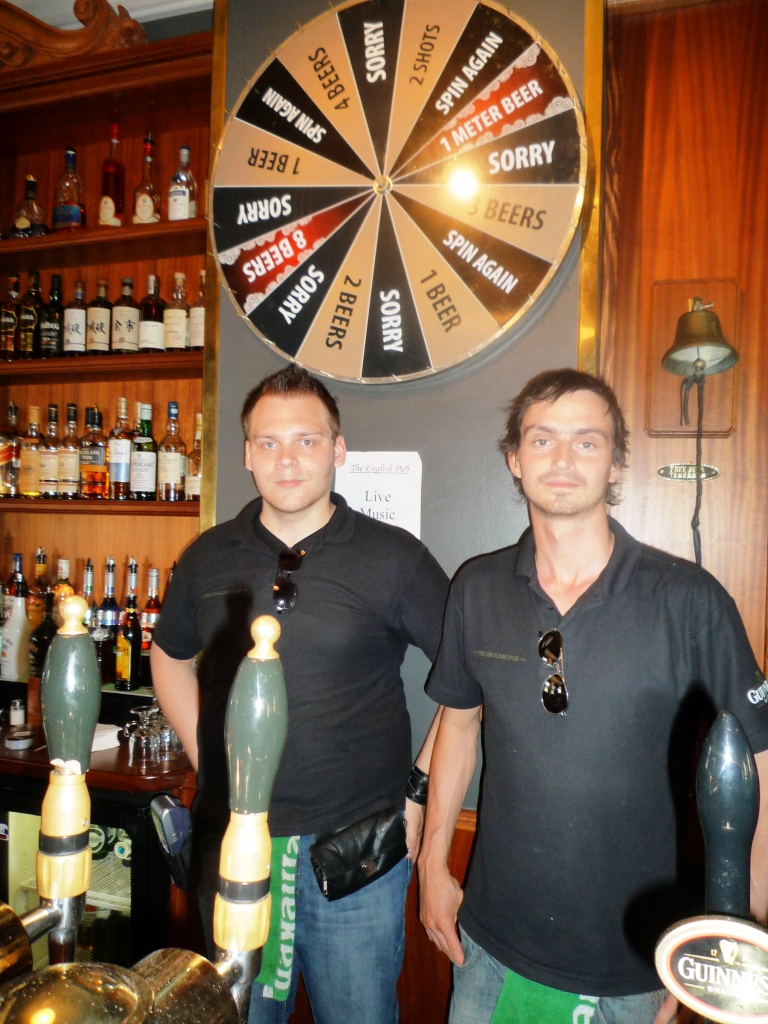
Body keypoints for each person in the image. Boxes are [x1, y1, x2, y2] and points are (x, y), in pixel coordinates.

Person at [418, 368, 768, 1024]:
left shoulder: (689, 600)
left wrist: (727, 944)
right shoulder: (477, 587)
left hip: (635, 964)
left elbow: (764, 766)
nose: (562, 458)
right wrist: (433, 861)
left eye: (587, 441)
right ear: (514, 461)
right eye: (542, 439)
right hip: (489, 949)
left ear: (614, 465)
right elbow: (457, 729)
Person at [151, 363, 449, 1024]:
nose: (288, 459)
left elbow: (467, 682)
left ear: (338, 451)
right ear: (248, 454)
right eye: (269, 442)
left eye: (307, 441)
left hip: (356, 853)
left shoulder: (395, 558)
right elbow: (168, 657)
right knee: (241, 1017)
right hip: (233, 843)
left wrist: (421, 794)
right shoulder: (208, 555)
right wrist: (214, 760)